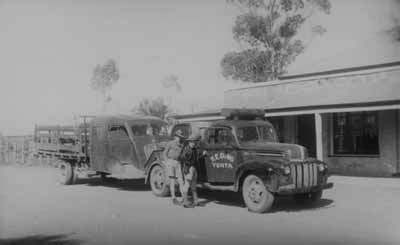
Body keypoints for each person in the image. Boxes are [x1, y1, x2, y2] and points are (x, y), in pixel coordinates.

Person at [163, 129, 186, 205]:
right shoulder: (170, 143)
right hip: (171, 161)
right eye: (178, 137)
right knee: (172, 181)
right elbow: (165, 153)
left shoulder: (182, 145)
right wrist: (167, 162)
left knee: (181, 181)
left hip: (178, 163)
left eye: (180, 137)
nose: (179, 138)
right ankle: (173, 198)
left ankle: (184, 198)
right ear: (175, 137)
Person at [179, 134, 202, 208]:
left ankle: (196, 201)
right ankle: (185, 202)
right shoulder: (186, 149)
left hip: (193, 168)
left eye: (194, 142)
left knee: (193, 186)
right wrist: (189, 165)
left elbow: (196, 158)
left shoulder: (193, 149)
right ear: (189, 142)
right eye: (192, 142)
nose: (194, 143)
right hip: (188, 168)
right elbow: (182, 158)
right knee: (187, 185)